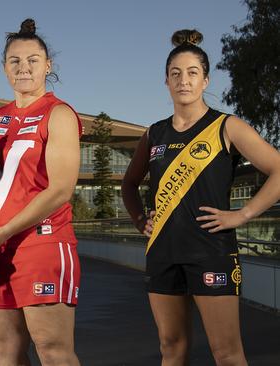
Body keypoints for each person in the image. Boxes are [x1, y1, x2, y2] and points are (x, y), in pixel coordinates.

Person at [121, 29, 280, 366]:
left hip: (212, 253)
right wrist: (139, 219)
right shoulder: (154, 134)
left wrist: (243, 214)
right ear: (166, 81)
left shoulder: (227, 126)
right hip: (162, 253)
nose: (184, 81)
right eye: (175, 74)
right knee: (171, 347)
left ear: (205, 80)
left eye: (192, 73)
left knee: (226, 353)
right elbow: (129, 184)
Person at [0, 19, 82, 366]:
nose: (23, 67)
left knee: (53, 351)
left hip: (42, 243)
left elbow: (61, 189)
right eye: (15, 61)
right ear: (4, 68)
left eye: (32, 60)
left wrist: (6, 231)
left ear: (48, 66)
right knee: (7, 354)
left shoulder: (58, 113)